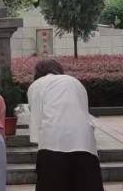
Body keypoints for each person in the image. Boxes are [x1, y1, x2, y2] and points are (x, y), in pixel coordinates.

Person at [27, 59, 102, 191]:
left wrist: (38, 142)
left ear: (38, 72)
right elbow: (84, 112)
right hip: (85, 144)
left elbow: (36, 119)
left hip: (52, 144)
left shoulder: (37, 85)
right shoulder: (75, 82)